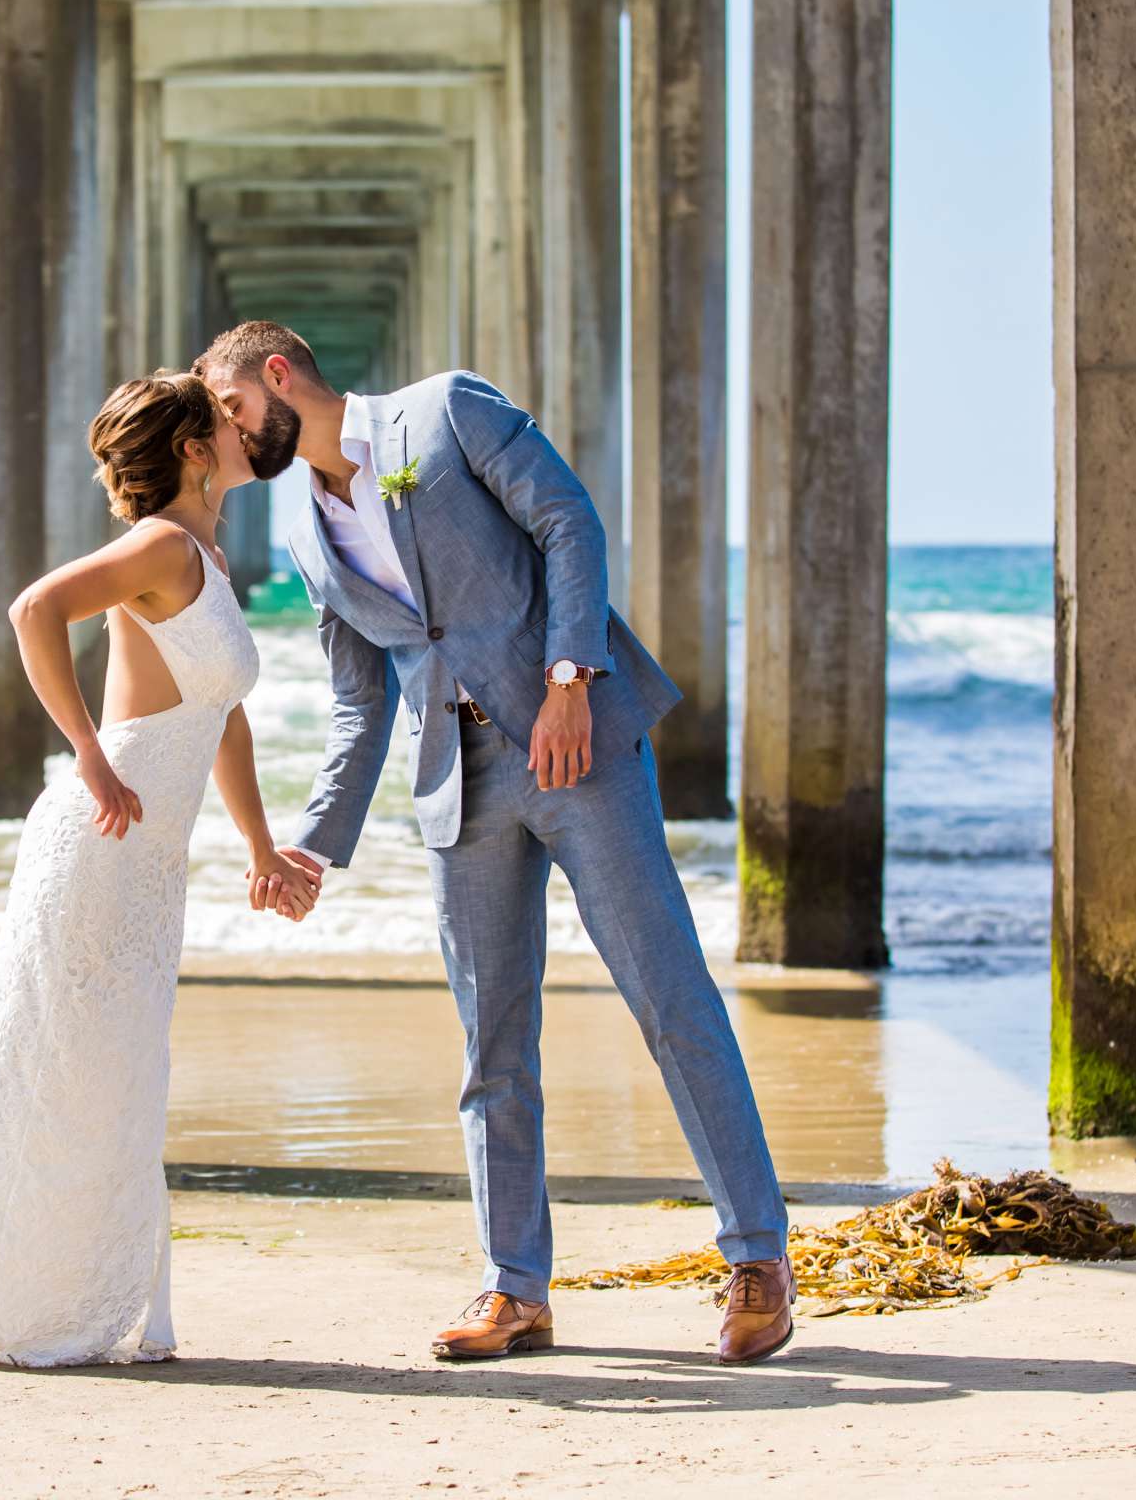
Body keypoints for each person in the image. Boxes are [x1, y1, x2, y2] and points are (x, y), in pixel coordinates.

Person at [199, 321, 795, 1366]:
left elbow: (569, 522)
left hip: (579, 753)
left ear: (278, 376)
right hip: (455, 789)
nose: (234, 440)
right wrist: (311, 847)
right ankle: (515, 1287)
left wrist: (573, 677)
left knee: (671, 1000)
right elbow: (358, 702)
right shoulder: (305, 536)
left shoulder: (446, 409)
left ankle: (757, 1255)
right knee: (491, 1049)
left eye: (234, 412)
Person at [0, 371, 318, 1368]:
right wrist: (89, 749)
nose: (247, 427)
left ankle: (15, 1296)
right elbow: (37, 609)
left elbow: (221, 715)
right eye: (226, 419)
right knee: (37, 1058)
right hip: (100, 841)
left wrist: (257, 845)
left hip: (150, 864)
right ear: (196, 450)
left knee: (107, 1079)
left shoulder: (203, 555)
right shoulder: (159, 544)